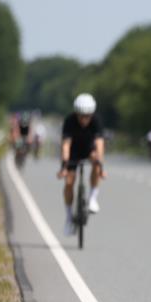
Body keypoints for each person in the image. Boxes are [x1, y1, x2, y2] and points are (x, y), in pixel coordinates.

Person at [58, 93, 106, 235]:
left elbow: (100, 144)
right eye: (81, 116)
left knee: (96, 163)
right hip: (73, 150)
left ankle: (92, 198)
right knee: (69, 182)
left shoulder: (96, 121)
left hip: (88, 149)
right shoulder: (69, 121)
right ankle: (68, 218)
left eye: (87, 116)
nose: (84, 119)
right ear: (76, 113)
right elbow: (66, 145)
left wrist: (101, 165)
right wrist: (64, 166)